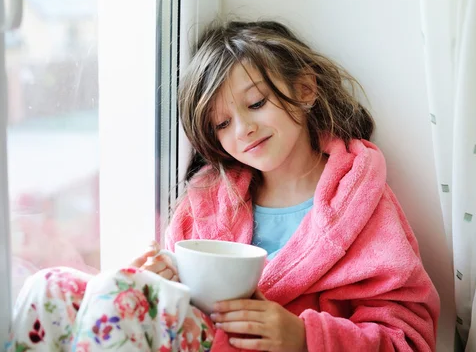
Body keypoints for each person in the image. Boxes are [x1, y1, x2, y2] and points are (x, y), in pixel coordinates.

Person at [9, 20, 440, 352]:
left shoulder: (359, 202)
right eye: (222, 123)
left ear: (306, 89)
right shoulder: (209, 200)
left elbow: (409, 338)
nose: (245, 129)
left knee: (118, 292)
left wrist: (303, 336)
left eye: (256, 103)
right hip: (204, 339)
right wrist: (162, 280)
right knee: (52, 286)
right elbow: (182, 305)